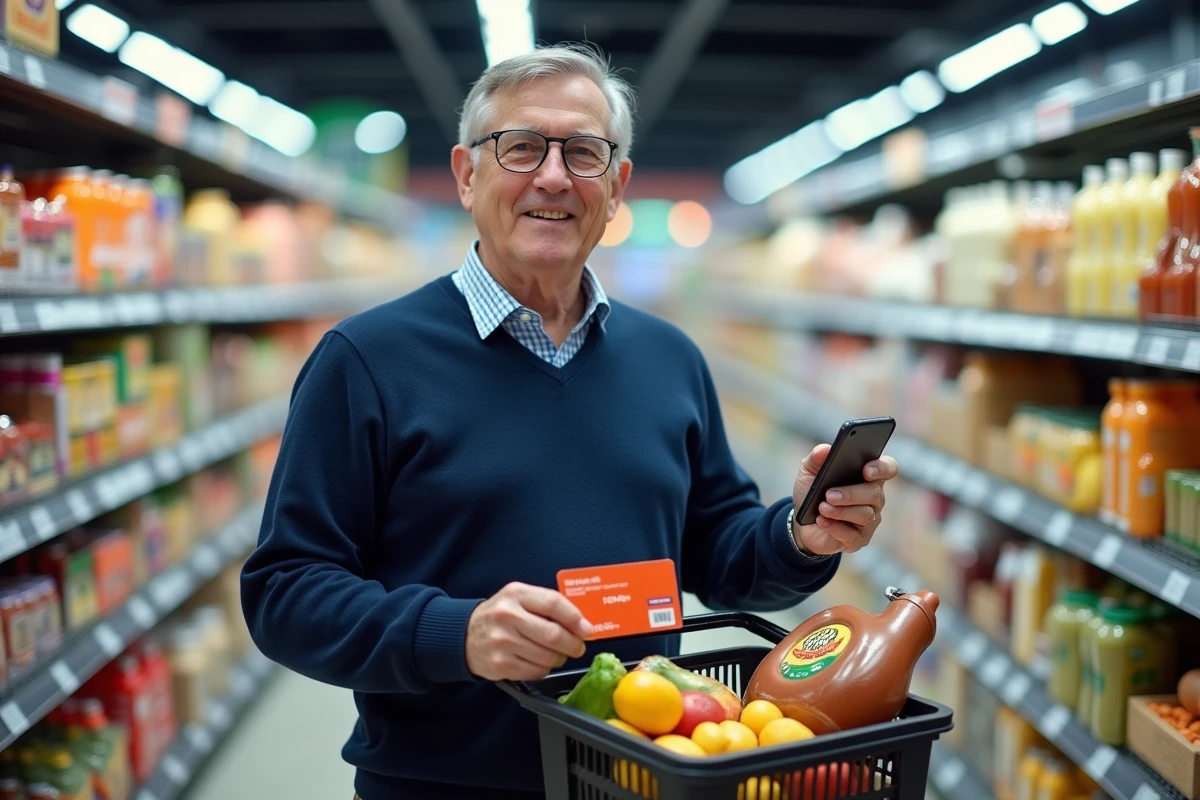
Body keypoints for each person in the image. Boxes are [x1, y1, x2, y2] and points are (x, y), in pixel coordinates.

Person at [240, 43, 899, 800]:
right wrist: (456, 633)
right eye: (520, 147)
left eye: (583, 153)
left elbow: (717, 548)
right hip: (444, 786)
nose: (553, 177)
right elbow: (286, 592)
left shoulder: (669, 359)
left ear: (615, 187)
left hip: (643, 773)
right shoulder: (366, 361)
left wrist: (799, 534)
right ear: (466, 174)